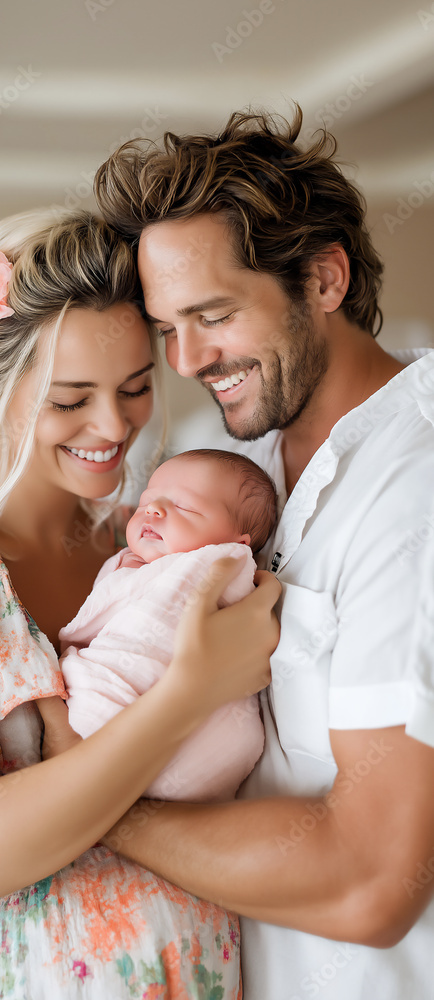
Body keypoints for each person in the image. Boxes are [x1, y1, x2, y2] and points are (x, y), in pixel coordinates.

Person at [0, 209, 280, 999]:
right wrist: (186, 696)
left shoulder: (161, 552)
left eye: (134, 388)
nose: (112, 426)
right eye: (70, 400)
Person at [94, 106, 434, 999]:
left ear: (324, 278)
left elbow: (373, 883)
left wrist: (92, 804)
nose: (188, 358)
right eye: (168, 326)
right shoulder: (231, 467)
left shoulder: (417, 484)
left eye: (213, 315)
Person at [37, 447, 277, 805]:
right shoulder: (128, 559)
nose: (153, 510)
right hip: (137, 739)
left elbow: (155, 631)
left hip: (168, 726)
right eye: (146, 502)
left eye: (184, 507)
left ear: (236, 543)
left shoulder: (219, 567)